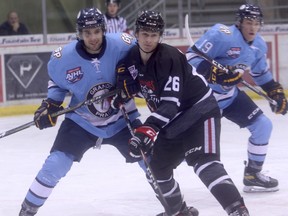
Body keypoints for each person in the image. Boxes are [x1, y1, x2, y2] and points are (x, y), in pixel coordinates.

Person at [113, 10, 250, 216]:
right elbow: (135, 84)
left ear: (160, 36)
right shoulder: (131, 58)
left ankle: (238, 211)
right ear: (136, 34)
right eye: (144, 34)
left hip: (199, 113)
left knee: (205, 164)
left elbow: (170, 104)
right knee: (156, 169)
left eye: (153, 35)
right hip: (171, 123)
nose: (149, 40)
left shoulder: (170, 57)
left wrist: (147, 129)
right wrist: (123, 90)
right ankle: (179, 212)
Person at [18, 7, 144, 216]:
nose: (92, 38)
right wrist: (50, 106)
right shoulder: (63, 58)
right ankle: (26, 212)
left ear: (103, 29)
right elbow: (57, 85)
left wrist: (133, 84)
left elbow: (143, 67)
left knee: (151, 158)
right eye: (87, 33)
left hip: (122, 119)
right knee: (54, 165)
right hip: (82, 122)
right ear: (79, 34)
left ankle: (176, 207)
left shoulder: (124, 44)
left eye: (96, 31)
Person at [186, 4, 287, 193]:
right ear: (239, 23)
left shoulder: (259, 45)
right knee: (194, 149)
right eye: (249, 22)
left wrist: (274, 91)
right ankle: (164, 175)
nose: (252, 28)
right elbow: (190, 58)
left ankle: (252, 174)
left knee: (263, 126)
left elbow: (260, 73)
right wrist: (216, 74)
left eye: (257, 23)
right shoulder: (221, 35)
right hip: (203, 100)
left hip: (229, 98)